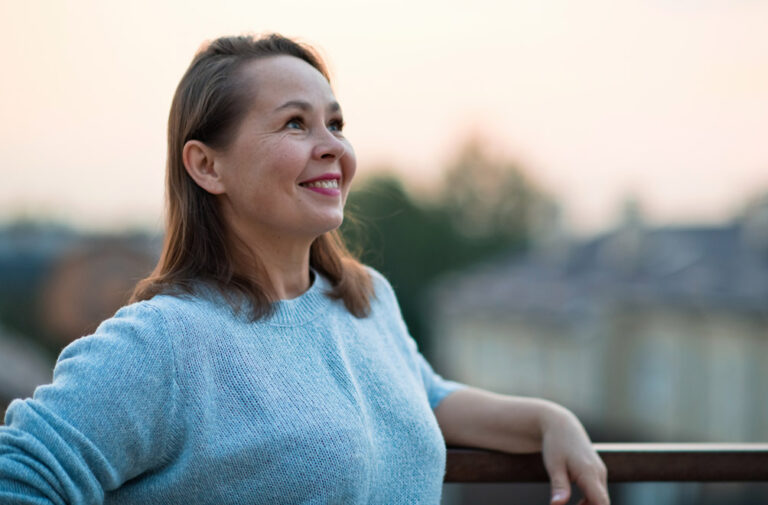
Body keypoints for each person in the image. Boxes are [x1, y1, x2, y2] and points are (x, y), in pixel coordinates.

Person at [0, 34, 609, 505]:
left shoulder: (365, 300)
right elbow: (19, 476)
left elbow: (421, 398)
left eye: (335, 124)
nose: (334, 148)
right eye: (295, 123)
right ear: (207, 166)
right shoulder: (164, 343)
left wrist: (548, 420)